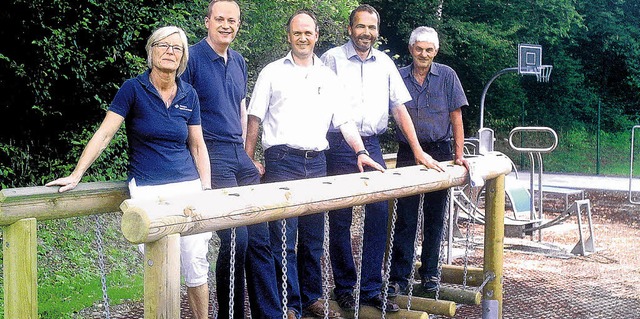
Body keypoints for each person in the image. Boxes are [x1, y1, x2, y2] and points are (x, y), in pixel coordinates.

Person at [46, 26, 213, 318]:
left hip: (188, 188)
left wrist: (207, 190)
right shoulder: (133, 89)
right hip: (148, 190)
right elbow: (105, 134)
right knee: (161, 266)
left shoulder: (190, 94)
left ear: (183, 57)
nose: (169, 52)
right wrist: (77, 174)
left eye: (177, 48)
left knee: (196, 264)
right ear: (151, 51)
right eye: (163, 45)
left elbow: (198, 146)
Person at [245, 10, 384, 319]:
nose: (303, 38)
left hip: (317, 163)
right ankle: (290, 304)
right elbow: (254, 118)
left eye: (308, 32)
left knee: (313, 238)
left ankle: (311, 298)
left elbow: (345, 121)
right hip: (282, 161)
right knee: (284, 238)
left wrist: (361, 151)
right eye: (297, 33)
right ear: (289, 36)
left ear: (317, 36)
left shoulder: (326, 75)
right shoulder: (272, 72)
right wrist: (248, 158)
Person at [320, 4, 444, 312]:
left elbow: (399, 109)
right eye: (360, 27)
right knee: (341, 219)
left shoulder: (385, 63)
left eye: (371, 28)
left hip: (371, 143)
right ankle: (345, 287)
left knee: (378, 216)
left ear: (378, 31)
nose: (366, 33)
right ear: (350, 29)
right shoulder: (331, 59)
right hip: (338, 145)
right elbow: (318, 103)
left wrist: (418, 151)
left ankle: (372, 288)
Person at [180, 1, 282, 318]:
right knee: (236, 240)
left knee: (261, 239)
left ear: (238, 25)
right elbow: (181, 110)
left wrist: (247, 155)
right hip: (211, 153)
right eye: (220, 19)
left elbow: (240, 106)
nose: (226, 25)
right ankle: (231, 314)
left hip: (239, 155)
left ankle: (269, 314)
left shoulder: (238, 60)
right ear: (207, 21)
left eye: (232, 20)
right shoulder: (192, 58)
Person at [388, 26, 469, 296]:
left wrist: (459, 153)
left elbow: (456, 116)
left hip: (441, 151)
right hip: (408, 153)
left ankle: (431, 275)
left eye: (429, 49)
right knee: (406, 219)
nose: (424, 54)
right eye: (419, 48)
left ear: (436, 51)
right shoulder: (398, 76)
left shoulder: (447, 75)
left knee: (435, 218)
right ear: (411, 49)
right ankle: (400, 276)